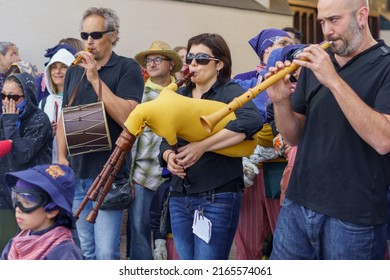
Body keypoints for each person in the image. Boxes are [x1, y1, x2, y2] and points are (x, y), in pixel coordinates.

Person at [267, 0, 390, 259]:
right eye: (322, 22)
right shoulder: (316, 65)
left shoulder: (385, 66)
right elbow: (293, 135)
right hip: (297, 203)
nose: (327, 31)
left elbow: (383, 139)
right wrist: (280, 101)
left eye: (334, 20)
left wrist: (333, 80)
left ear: (362, 16)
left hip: (354, 215)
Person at [159, 33, 263, 260]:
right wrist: (169, 157)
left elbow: (252, 120)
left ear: (220, 64)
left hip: (217, 195)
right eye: (190, 59)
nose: (193, 64)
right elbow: (165, 139)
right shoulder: (181, 94)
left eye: (201, 59)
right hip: (179, 194)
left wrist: (202, 146)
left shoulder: (230, 91)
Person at [56, 7, 144, 260]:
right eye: (85, 35)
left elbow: (129, 117)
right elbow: (66, 115)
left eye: (96, 34)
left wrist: (95, 79)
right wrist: (61, 158)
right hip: (78, 172)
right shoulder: (74, 69)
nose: (89, 41)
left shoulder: (127, 68)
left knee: (106, 254)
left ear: (113, 36)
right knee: (85, 250)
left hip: (109, 176)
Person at [127, 40, 182, 260]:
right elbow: (132, 136)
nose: (152, 63)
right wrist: (129, 175)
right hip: (143, 172)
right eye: (149, 61)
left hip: (175, 172)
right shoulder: (139, 93)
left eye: (157, 59)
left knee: (174, 228)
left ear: (170, 64)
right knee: (139, 228)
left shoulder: (182, 92)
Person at [0, 72, 53, 252]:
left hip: (30, 195)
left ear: (28, 96)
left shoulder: (39, 119)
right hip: (4, 195)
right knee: (5, 249)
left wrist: (10, 123)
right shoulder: (3, 117)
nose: (7, 101)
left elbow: (23, 154)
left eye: (13, 97)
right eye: (3, 96)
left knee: (27, 251)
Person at [1, 164, 82, 260]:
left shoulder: (64, 252)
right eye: (16, 199)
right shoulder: (16, 243)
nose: (18, 209)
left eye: (27, 202)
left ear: (52, 211)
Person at [39, 49, 75, 163]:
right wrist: (47, 132)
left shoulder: (81, 100)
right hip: (49, 165)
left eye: (64, 66)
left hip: (74, 166)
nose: (58, 71)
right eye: (54, 67)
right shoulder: (44, 103)